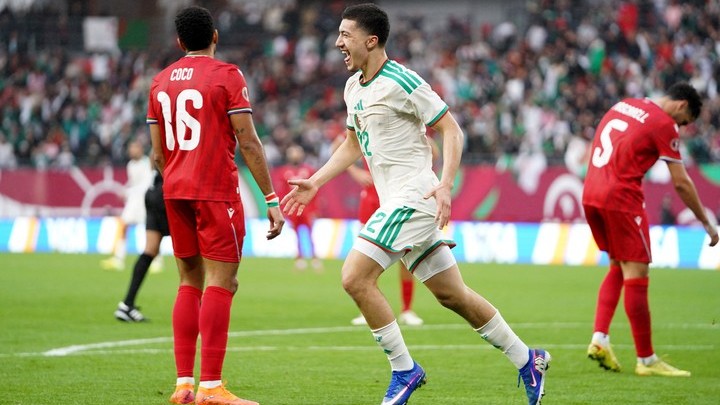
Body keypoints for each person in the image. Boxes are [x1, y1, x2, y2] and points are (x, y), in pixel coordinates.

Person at [282, 4, 549, 404]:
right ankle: (528, 360)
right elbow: (353, 144)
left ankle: (404, 370)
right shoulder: (353, 87)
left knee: (354, 277)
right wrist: (316, 182)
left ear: (371, 40)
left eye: (346, 34)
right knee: (453, 295)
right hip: (396, 200)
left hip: (414, 197)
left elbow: (451, 129)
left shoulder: (402, 80)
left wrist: (446, 185)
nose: (338, 42)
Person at [147, 6, 284, 405]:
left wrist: (177, 177)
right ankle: (210, 387)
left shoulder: (159, 82)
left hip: (174, 191)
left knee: (188, 282)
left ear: (179, 42)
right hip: (215, 191)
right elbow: (248, 141)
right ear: (215, 37)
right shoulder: (227, 75)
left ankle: (183, 386)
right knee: (221, 283)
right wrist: (271, 198)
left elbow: (157, 155)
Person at [582, 82, 719, 377]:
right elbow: (681, 183)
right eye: (684, 122)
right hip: (621, 199)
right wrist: (707, 223)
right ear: (682, 105)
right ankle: (646, 359)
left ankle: (600, 338)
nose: (679, 128)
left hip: (591, 192)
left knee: (618, 264)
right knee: (638, 272)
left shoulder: (625, 104)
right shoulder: (663, 124)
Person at [339, 139, 424, 327]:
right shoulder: (365, 125)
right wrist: (354, 171)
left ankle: (407, 309)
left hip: (397, 198)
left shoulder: (401, 129)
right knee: (366, 260)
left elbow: (434, 151)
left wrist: (423, 130)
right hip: (371, 199)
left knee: (405, 256)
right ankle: (367, 311)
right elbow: (340, 144)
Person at [113, 169, 168, 322]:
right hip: (170, 192)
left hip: (153, 192)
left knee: (150, 250)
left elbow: (155, 159)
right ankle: (198, 311)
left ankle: (127, 305)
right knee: (191, 253)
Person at [101, 140, 155, 271]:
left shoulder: (146, 164)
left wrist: (127, 192)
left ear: (140, 149)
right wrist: (127, 192)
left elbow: (146, 184)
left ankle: (155, 261)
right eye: (130, 148)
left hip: (144, 200)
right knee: (124, 226)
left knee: (150, 230)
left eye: (134, 147)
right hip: (134, 201)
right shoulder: (130, 165)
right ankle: (119, 259)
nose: (131, 150)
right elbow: (133, 182)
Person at [276, 144, 323, 271]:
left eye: (297, 152)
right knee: (296, 235)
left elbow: (315, 192)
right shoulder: (283, 172)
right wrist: (283, 211)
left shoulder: (309, 170)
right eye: (292, 153)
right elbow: (282, 192)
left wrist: (315, 210)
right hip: (292, 209)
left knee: (310, 234)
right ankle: (299, 257)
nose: (295, 155)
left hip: (307, 209)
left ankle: (314, 257)